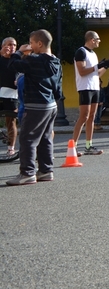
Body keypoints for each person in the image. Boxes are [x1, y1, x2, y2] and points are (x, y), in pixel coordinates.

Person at [5, 30, 62, 185]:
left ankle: (27, 173)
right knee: (45, 138)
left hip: (36, 104)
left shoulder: (34, 59)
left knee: (28, 139)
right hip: (51, 105)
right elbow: (58, 88)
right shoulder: (56, 61)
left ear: (39, 44)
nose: (29, 46)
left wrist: (18, 52)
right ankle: (46, 170)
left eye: (31, 43)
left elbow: (13, 65)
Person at [73, 31, 109, 156]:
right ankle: (72, 146)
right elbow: (82, 71)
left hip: (95, 87)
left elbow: (96, 74)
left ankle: (88, 145)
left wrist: (107, 65)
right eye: (98, 39)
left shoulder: (93, 54)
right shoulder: (81, 52)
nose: (99, 41)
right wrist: (98, 66)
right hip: (85, 88)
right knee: (83, 117)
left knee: (92, 117)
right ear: (92, 39)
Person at [1, 37, 20, 157]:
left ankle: (10, 148)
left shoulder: (17, 59)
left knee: (11, 120)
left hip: (13, 94)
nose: (12, 47)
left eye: (14, 45)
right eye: (9, 45)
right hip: (0, 91)